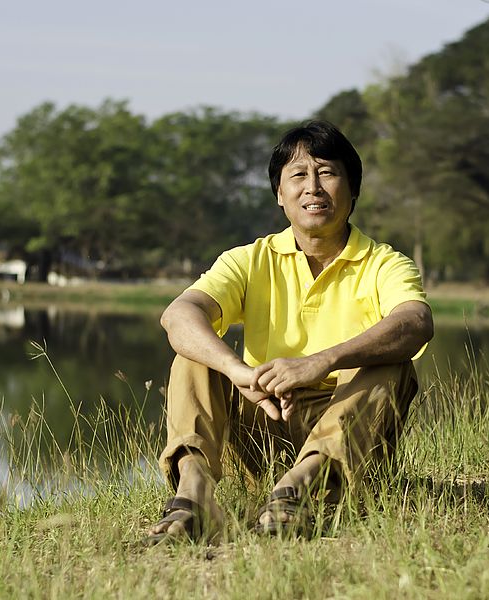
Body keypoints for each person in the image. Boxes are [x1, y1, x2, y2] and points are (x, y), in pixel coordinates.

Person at [146, 120, 433, 544]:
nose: (313, 187)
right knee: (193, 354)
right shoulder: (250, 258)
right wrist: (238, 371)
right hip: (265, 417)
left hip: (344, 432)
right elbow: (179, 314)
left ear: (352, 190)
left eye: (328, 173)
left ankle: (298, 488)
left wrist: (321, 361)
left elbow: (415, 322)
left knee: (392, 363)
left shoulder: (385, 263)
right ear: (280, 195)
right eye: (298, 175)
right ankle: (195, 495)